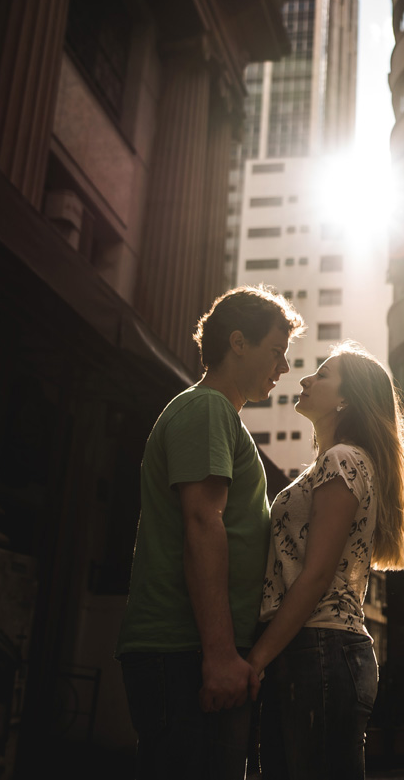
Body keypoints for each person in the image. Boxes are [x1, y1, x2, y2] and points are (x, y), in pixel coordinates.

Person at [116, 286, 305, 780]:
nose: (283, 368)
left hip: (197, 649)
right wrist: (220, 655)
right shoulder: (205, 409)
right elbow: (203, 522)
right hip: (185, 650)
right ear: (238, 342)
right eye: (276, 352)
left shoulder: (222, 417)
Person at [247, 341, 404, 780]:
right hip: (314, 650)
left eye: (323, 375)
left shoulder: (343, 459)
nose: (306, 380)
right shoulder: (335, 462)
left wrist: (257, 659)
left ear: (346, 399)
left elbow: (314, 577)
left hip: (318, 651)